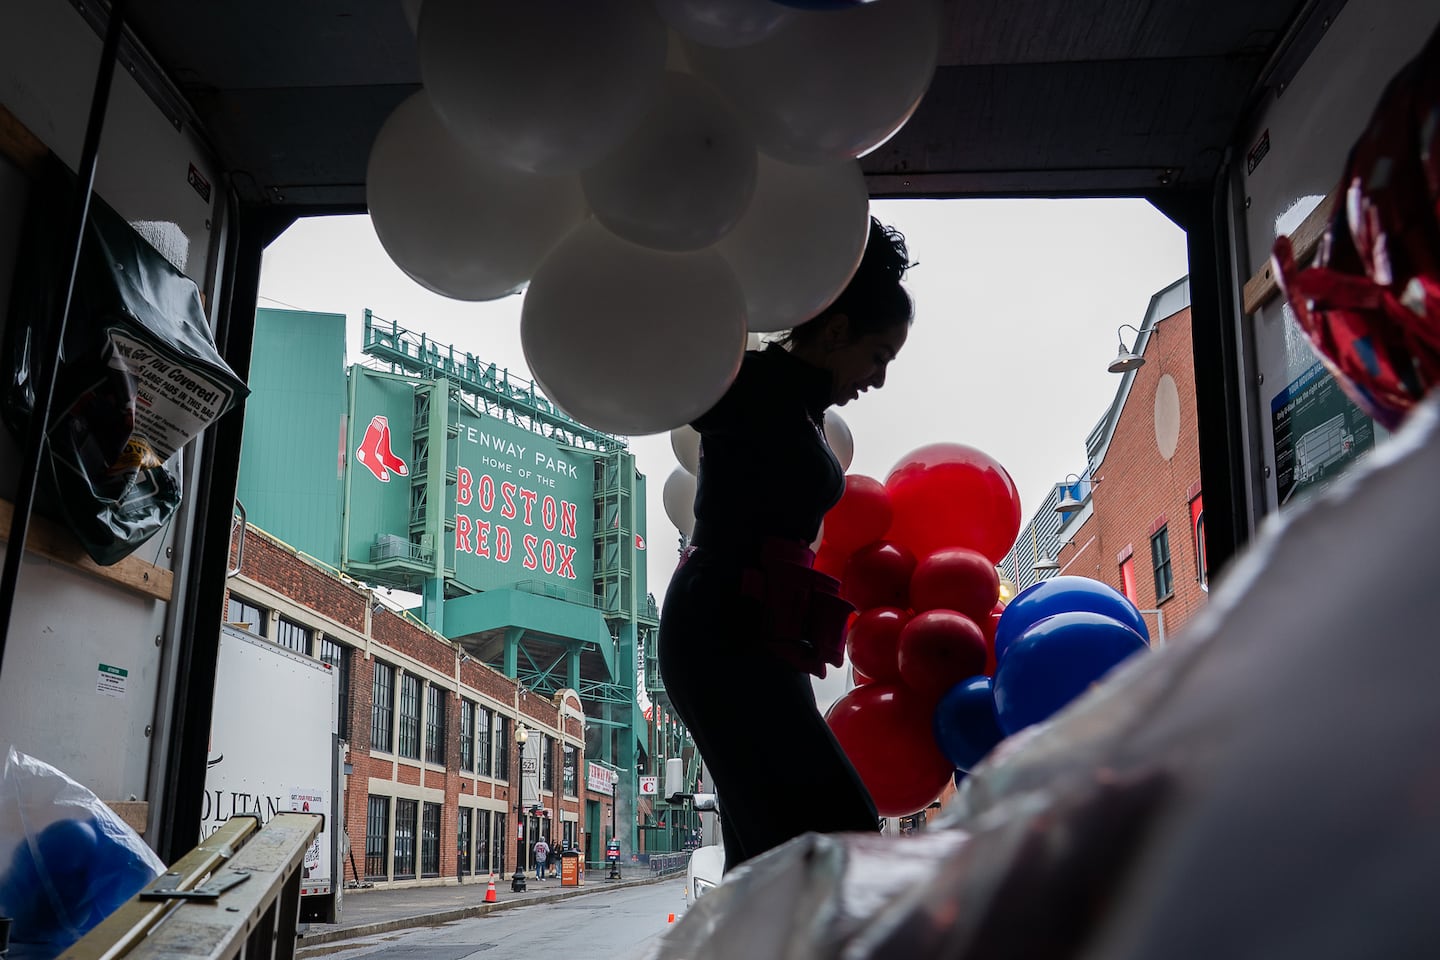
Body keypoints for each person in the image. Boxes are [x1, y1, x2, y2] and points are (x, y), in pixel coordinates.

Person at [658, 216, 915, 872]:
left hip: (755, 624)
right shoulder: (749, 384)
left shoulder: (800, 404)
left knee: (768, 837)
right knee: (826, 827)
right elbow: (686, 372)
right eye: (878, 357)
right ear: (834, 333)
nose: (879, 380)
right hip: (722, 623)